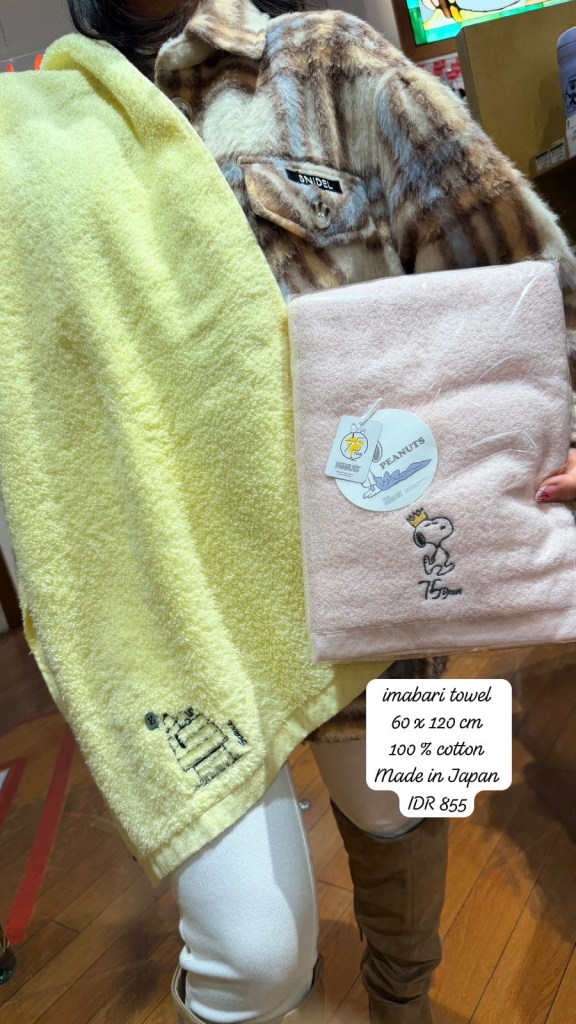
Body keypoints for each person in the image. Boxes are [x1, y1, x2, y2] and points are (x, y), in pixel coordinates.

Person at [28, 1, 576, 1022]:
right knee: (253, 952)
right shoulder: (36, 136)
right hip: (171, 595)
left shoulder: (326, 60)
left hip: (391, 560)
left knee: (411, 809)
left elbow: (512, 256)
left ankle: (403, 1002)